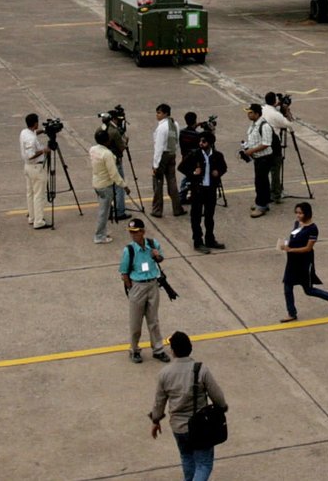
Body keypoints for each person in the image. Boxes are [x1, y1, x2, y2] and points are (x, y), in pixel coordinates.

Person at [150, 331, 228, 481]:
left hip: (178, 428)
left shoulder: (164, 374)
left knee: (187, 458)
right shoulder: (201, 370)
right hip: (200, 428)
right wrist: (223, 407)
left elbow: (159, 402)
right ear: (190, 348)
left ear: (172, 351)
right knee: (204, 464)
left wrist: (155, 421)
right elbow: (218, 397)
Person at [120, 217, 170, 364]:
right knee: (136, 322)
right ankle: (134, 349)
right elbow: (124, 273)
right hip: (138, 286)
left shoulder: (153, 244)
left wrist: (157, 255)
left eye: (136, 232)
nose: (133, 235)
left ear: (143, 232)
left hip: (153, 284)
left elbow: (160, 259)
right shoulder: (129, 250)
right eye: (131, 232)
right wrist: (132, 288)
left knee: (153, 320)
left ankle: (158, 349)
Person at [280, 202, 328, 320]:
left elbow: (308, 248)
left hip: (304, 262)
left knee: (308, 290)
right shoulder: (297, 224)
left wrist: (291, 249)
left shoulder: (313, 229)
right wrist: (285, 245)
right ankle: (292, 313)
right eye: (297, 213)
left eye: (300, 213)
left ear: (307, 213)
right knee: (287, 287)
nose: (298, 215)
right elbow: (293, 238)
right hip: (292, 262)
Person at [184, 134, 227, 254]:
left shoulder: (217, 156)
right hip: (198, 190)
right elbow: (182, 167)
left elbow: (224, 167)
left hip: (210, 190)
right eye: (200, 141)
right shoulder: (194, 154)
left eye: (204, 141)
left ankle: (210, 239)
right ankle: (197, 241)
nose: (201, 143)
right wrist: (193, 172)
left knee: (209, 216)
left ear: (210, 143)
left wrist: (218, 172)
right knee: (196, 217)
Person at [239, 103, 275, 218]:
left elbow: (266, 143)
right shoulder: (254, 124)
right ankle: (263, 202)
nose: (248, 115)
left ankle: (261, 206)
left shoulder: (264, 126)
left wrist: (251, 151)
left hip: (264, 158)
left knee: (260, 182)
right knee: (261, 181)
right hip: (258, 158)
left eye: (250, 112)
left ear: (257, 113)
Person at [90, 128, 124, 244]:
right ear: (107, 141)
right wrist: (124, 185)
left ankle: (103, 231)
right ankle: (99, 236)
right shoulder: (107, 154)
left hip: (97, 183)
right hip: (105, 185)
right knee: (104, 212)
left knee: (103, 209)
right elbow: (114, 173)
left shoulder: (93, 149)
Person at [151, 104, 183, 218]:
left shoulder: (162, 127)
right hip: (172, 154)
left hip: (163, 156)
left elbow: (158, 147)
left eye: (159, 112)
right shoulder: (175, 124)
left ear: (165, 114)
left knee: (158, 184)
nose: (157, 115)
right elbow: (177, 141)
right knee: (172, 182)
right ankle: (177, 208)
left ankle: (157, 210)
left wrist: (155, 165)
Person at [20, 114, 51, 229]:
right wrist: (44, 150)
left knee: (30, 193)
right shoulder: (31, 139)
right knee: (39, 195)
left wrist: (42, 131)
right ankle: (38, 221)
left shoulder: (24, 132)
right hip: (35, 168)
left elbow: (33, 134)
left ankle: (32, 217)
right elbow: (31, 155)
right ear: (35, 123)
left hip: (28, 168)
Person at [261, 93, 293, 202]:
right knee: (275, 169)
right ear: (275, 101)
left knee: (264, 170)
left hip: (262, 143)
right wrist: (286, 109)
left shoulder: (262, 109)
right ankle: (276, 193)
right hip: (274, 144)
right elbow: (289, 124)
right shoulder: (276, 114)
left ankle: (267, 192)